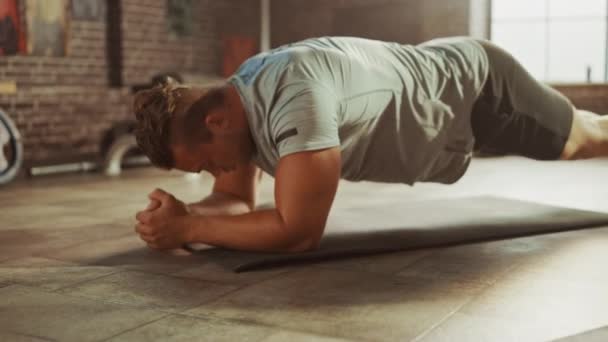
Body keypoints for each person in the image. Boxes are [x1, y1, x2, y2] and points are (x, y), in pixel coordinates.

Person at [132, 36, 608, 253]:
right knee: (588, 127)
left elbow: (297, 232)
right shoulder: (236, 111)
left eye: (205, 163)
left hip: (477, 91)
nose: (213, 172)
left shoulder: (297, 101)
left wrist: (190, 229)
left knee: (584, 140)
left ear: (215, 122)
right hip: (441, 96)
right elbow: (234, 201)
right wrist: (176, 220)